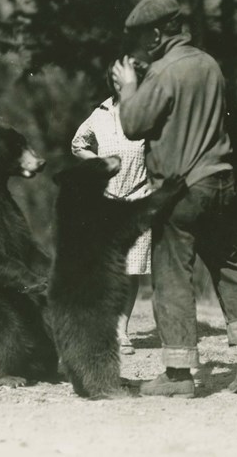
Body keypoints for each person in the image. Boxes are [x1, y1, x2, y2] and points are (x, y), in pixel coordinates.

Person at [112, 0, 237, 397]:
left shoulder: (163, 73)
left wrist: (129, 88)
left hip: (181, 188)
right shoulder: (207, 64)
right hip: (220, 180)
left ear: (153, 36)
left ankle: (178, 374)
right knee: (227, 262)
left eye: (138, 39)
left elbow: (132, 125)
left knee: (170, 275)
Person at [71, 62, 151, 355]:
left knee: (132, 270)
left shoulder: (148, 115)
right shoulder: (100, 114)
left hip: (139, 197)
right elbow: (77, 144)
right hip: (106, 199)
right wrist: (97, 164)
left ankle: (122, 331)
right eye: (116, 80)